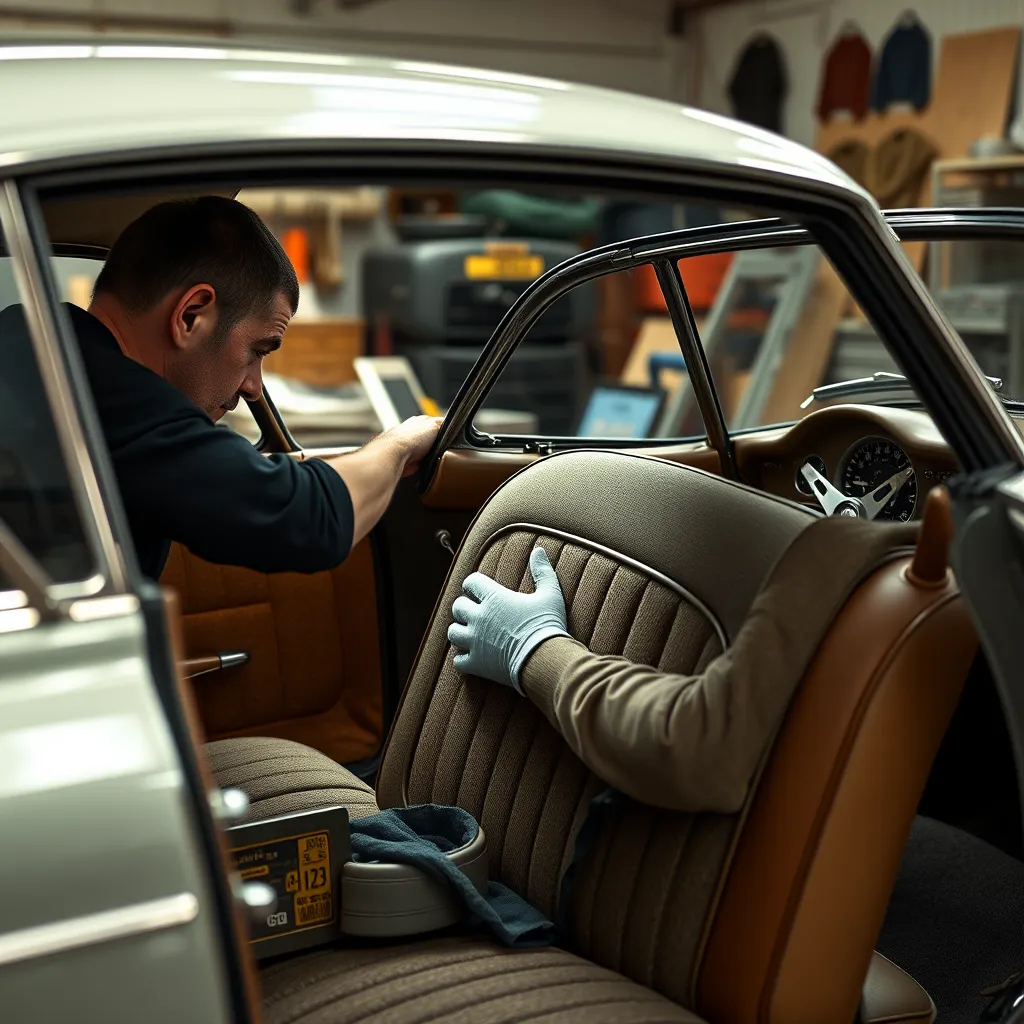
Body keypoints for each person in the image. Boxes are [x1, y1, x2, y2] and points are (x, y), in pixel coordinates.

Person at [16, 196, 441, 581]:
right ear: (191, 316)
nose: (254, 388)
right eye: (257, 350)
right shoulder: (112, 401)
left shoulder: (31, 343)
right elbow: (311, 520)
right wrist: (399, 444)